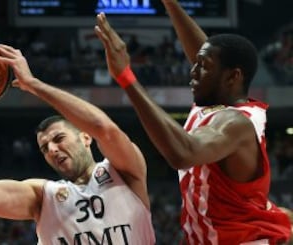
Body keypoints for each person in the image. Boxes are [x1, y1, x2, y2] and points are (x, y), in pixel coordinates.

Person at [94, 1, 292, 243]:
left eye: (203, 67)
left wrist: (125, 76)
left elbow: (183, 154)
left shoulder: (235, 122)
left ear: (232, 77)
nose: (192, 70)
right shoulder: (215, 98)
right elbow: (207, 50)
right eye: (196, 63)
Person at [0, 44, 156, 244]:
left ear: (86, 137)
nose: (52, 150)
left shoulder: (123, 171)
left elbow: (105, 128)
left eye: (59, 139)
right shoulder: (44, 197)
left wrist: (34, 85)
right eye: (45, 148)